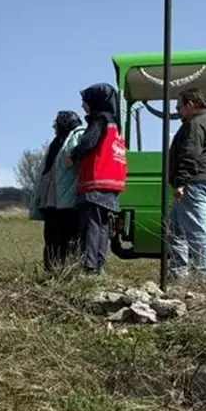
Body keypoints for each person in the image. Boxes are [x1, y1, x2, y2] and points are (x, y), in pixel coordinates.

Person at [168, 87, 206, 279]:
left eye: (179, 107)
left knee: (195, 229)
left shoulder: (195, 124)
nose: (178, 111)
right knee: (175, 228)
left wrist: (180, 182)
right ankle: (179, 274)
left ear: (191, 105)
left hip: (194, 183)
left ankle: (202, 276)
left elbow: (190, 154)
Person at [69, 83, 127, 275]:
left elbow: (88, 142)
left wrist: (74, 155)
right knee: (102, 226)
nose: (83, 106)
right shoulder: (115, 124)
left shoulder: (100, 120)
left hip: (96, 180)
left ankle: (90, 267)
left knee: (91, 225)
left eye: (85, 101)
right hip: (112, 182)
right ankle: (99, 265)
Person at [29, 111, 84, 272]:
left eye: (56, 124)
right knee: (51, 239)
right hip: (51, 202)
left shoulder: (77, 137)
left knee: (69, 240)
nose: (54, 127)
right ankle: (51, 272)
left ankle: (68, 272)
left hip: (69, 201)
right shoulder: (55, 143)